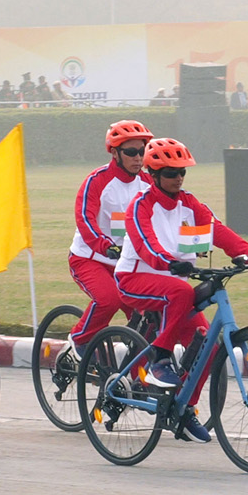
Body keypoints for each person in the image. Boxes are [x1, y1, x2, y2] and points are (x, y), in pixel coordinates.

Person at [115, 138, 248, 443]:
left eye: (182, 172)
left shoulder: (189, 203)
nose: (178, 178)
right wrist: (168, 262)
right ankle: (160, 357)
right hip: (135, 279)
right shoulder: (140, 206)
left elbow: (219, 231)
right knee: (181, 292)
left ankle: (184, 409)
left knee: (209, 348)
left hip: (173, 283)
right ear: (154, 174)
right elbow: (147, 245)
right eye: (171, 172)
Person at [64, 121, 155, 367]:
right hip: (90, 259)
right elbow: (85, 219)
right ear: (115, 153)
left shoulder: (149, 183)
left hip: (126, 264)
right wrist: (104, 245)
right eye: (131, 152)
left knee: (148, 317)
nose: (138, 158)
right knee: (109, 299)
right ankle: (80, 339)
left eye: (142, 151)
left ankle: (133, 378)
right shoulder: (97, 181)